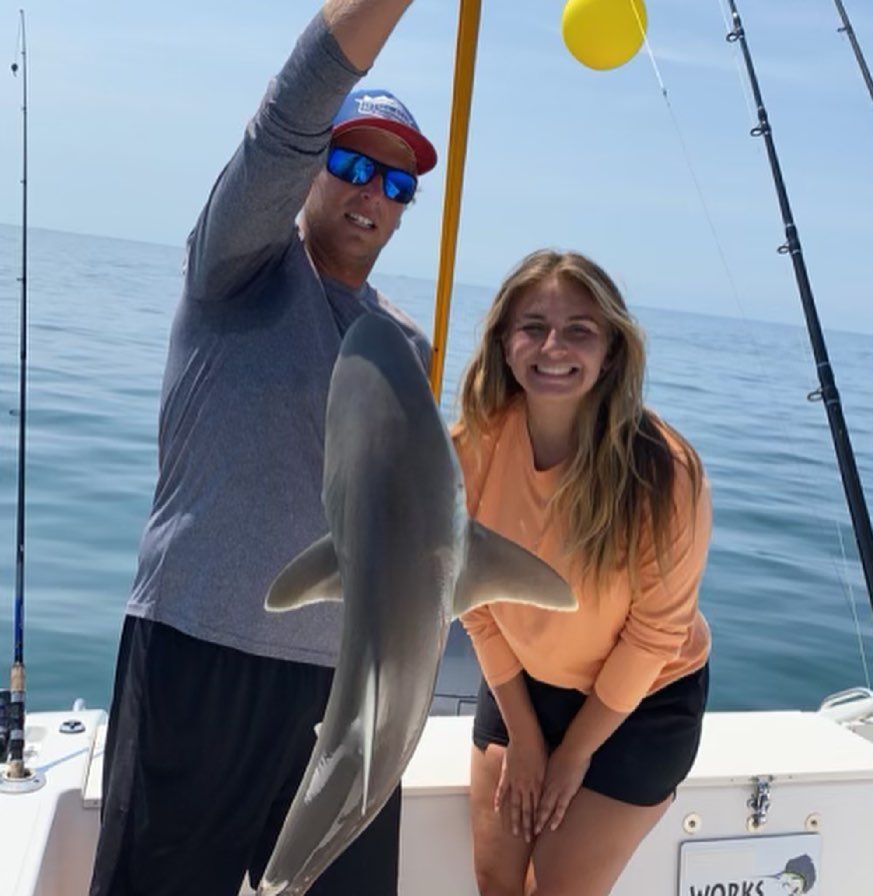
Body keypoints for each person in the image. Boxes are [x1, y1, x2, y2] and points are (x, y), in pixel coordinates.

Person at [89, 2, 436, 894]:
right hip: (200, 652)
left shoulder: (408, 347)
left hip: (350, 686)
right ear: (315, 168)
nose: (372, 195)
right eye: (356, 166)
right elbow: (291, 112)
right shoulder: (235, 267)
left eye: (396, 186)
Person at [453, 249, 712, 896]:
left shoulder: (665, 470)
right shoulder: (473, 445)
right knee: (494, 876)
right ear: (504, 343)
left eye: (579, 330)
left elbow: (654, 636)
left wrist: (571, 755)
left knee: (559, 886)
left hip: (641, 701)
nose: (552, 346)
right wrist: (527, 736)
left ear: (611, 351)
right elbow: (471, 598)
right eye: (532, 325)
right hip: (521, 685)